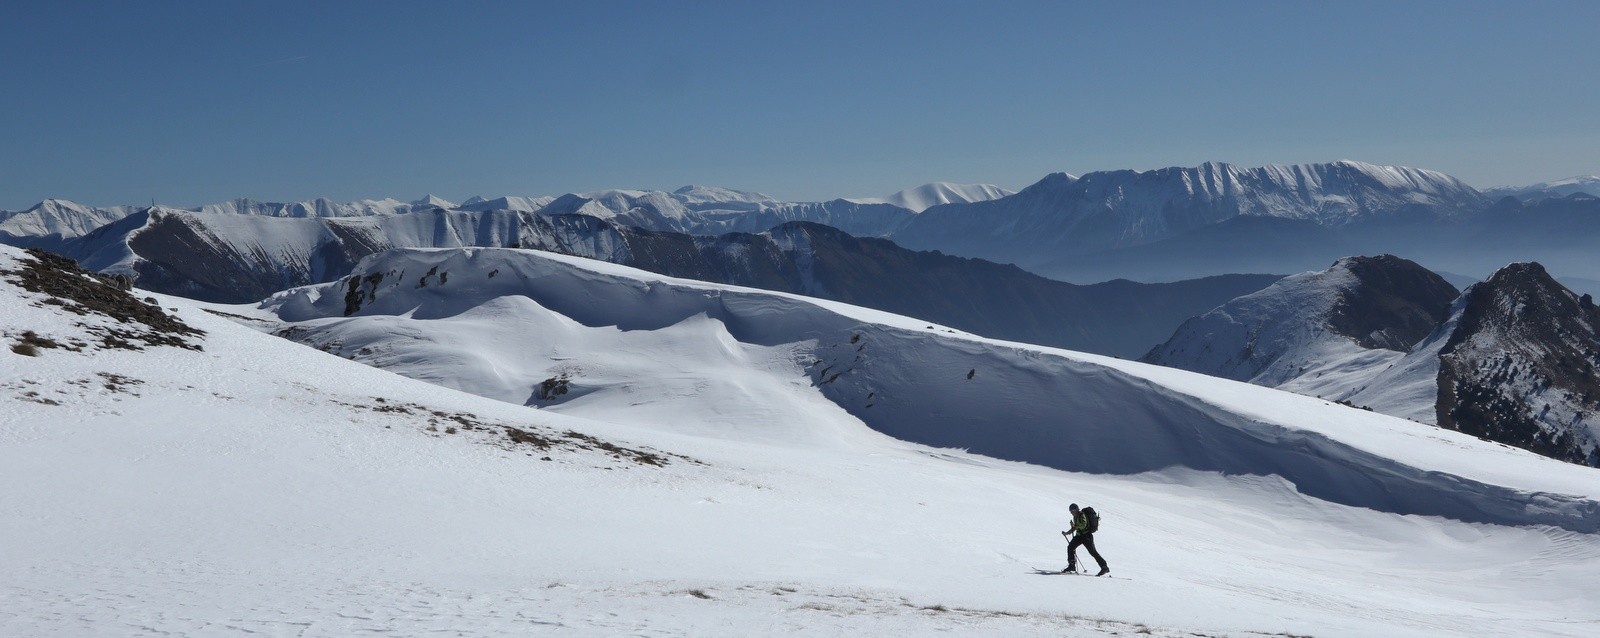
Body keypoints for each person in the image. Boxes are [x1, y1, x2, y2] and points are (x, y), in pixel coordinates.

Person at [1061, 503, 1109, 576]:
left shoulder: (1082, 515)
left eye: (1072, 511)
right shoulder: (1075, 517)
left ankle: (1104, 567)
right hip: (1079, 536)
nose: (1072, 513)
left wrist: (1075, 526)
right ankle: (1072, 566)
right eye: (1071, 511)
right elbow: (1075, 527)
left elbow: (1083, 525)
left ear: (1077, 509)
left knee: (1093, 552)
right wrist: (1067, 533)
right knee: (1070, 547)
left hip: (1087, 536)